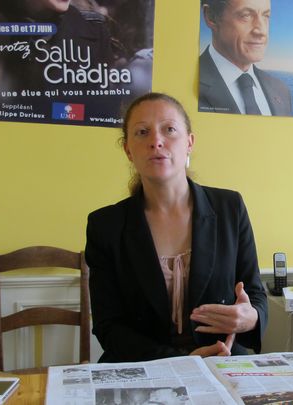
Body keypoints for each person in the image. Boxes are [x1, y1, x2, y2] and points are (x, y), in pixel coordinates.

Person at [86, 92, 268, 362]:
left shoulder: (230, 207)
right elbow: (109, 326)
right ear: (127, 149)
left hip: (222, 361)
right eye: (142, 132)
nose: (156, 141)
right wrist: (181, 361)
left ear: (189, 142)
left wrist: (250, 318)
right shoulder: (105, 225)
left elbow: (255, 295)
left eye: (169, 130)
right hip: (142, 368)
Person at [199, 0, 293, 116]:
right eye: (246, 16)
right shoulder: (187, 82)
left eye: (266, 16)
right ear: (211, 17)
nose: (262, 31)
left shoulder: (281, 90)